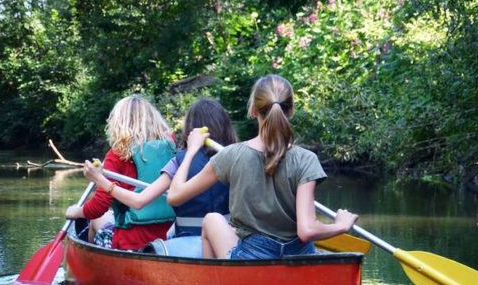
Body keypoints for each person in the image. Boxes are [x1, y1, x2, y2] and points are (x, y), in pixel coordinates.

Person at [167, 75, 358, 259]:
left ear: (253, 110)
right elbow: (306, 231)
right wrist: (340, 225)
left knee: (212, 219)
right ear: (291, 110)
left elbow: (175, 197)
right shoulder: (307, 159)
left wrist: (191, 150)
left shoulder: (231, 155)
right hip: (297, 256)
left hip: (251, 256)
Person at [80, 98, 238, 238]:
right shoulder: (238, 159)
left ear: (190, 129)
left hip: (188, 239)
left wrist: (99, 179)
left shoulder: (178, 161)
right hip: (227, 238)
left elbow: (139, 201)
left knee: (98, 222)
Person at [64, 95, 174, 250]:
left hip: (130, 242)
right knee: (109, 215)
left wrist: (77, 211)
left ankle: (91, 262)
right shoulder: (171, 148)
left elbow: (98, 207)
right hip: (167, 240)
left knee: (96, 220)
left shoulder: (117, 154)